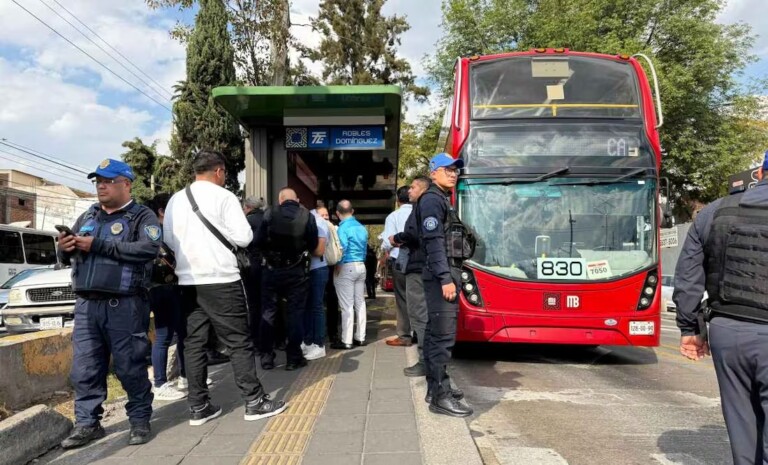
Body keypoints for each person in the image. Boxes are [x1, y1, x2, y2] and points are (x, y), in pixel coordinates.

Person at [164, 150, 286, 426]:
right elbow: (244, 238)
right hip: (221, 279)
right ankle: (254, 402)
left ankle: (198, 406)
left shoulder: (176, 199)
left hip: (188, 282)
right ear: (219, 171)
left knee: (193, 344)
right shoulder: (225, 197)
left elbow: (169, 240)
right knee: (238, 342)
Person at [673, 150, 768, 465]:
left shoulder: (715, 212)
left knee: (742, 427)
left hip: (727, 332)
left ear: (759, 173)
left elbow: (688, 275)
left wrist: (689, 328)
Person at [58, 159, 160, 448]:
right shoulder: (88, 216)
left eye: (107, 180)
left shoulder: (142, 216)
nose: (101, 186)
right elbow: (70, 255)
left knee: (130, 366)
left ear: (126, 184)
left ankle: (139, 420)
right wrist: (63, 249)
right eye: (97, 181)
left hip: (124, 306)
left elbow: (149, 249)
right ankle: (88, 423)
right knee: (85, 368)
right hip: (87, 307)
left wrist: (99, 245)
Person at [417, 153, 473, 417]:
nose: (453, 173)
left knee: (434, 334)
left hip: (443, 272)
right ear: (433, 172)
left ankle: (434, 389)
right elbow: (434, 242)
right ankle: (441, 396)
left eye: (455, 170)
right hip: (442, 274)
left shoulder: (440, 199)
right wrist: (445, 278)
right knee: (443, 338)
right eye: (447, 169)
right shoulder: (431, 200)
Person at [255, 187, 318, 371]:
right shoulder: (307, 215)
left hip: (272, 270)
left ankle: (267, 357)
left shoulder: (270, 213)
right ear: (296, 200)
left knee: (268, 313)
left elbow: (257, 241)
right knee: (295, 314)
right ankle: (293, 357)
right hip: (296, 270)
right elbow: (313, 243)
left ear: (280, 199)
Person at [146, 193, 187, 402]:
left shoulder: (148, 229)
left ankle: (179, 378)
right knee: (169, 335)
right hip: (167, 287)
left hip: (155, 288)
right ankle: (163, 382)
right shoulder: (161, 231)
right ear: (162, 211)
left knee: (171, 334)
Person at [391, 176, 431, 376]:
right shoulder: (429, 205)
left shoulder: (421, 207)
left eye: (414, 187)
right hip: (426, 265)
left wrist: (396, 238)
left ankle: (424, 361)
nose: (410, 190)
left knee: (418, 314)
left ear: (422, 189)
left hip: (417, 267)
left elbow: (412, 235)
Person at [332, 200, 369, 350]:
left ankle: (346, 340)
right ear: (352, 211)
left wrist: (338, 264)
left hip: (347, 267)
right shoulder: (361, 228)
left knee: (347, 306)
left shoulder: (342, 229)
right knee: (360, 303)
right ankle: (360, 337)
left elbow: (343, 247)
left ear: (337, 213)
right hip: (361, 266)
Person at [382, 185, 414, 347]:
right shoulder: (419, 214)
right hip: (419, 259)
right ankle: (419, 333)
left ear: (397, 199)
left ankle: (404, 335)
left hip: (400, 259)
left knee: (402, 298)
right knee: (418, 296)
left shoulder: (393, 216)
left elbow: (388, 242)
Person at [303, 207, 329, 361]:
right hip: (311, 269)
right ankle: (309, 341)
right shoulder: (313, 220)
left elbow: (319, 251)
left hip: (318, 268)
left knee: (316, 307)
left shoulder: (319, 223)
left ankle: (319, 344)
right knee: (308, 307)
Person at [243, 196, 266, 347]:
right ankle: (276, 338)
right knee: (269, 303)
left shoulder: (246, 222)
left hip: (251, 265)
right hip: (269, 265)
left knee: (253, 304)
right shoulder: (267, 219)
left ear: (248, 208)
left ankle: (256, 339)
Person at [318, 205, 341, 343]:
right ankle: (328, 331)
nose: (325, 217)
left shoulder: (334, 229)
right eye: (322, 215)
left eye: (326, 215)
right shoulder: (332, 228)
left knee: (331, 301)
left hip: (329, 267)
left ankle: (332, 331)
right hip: (322, 268)